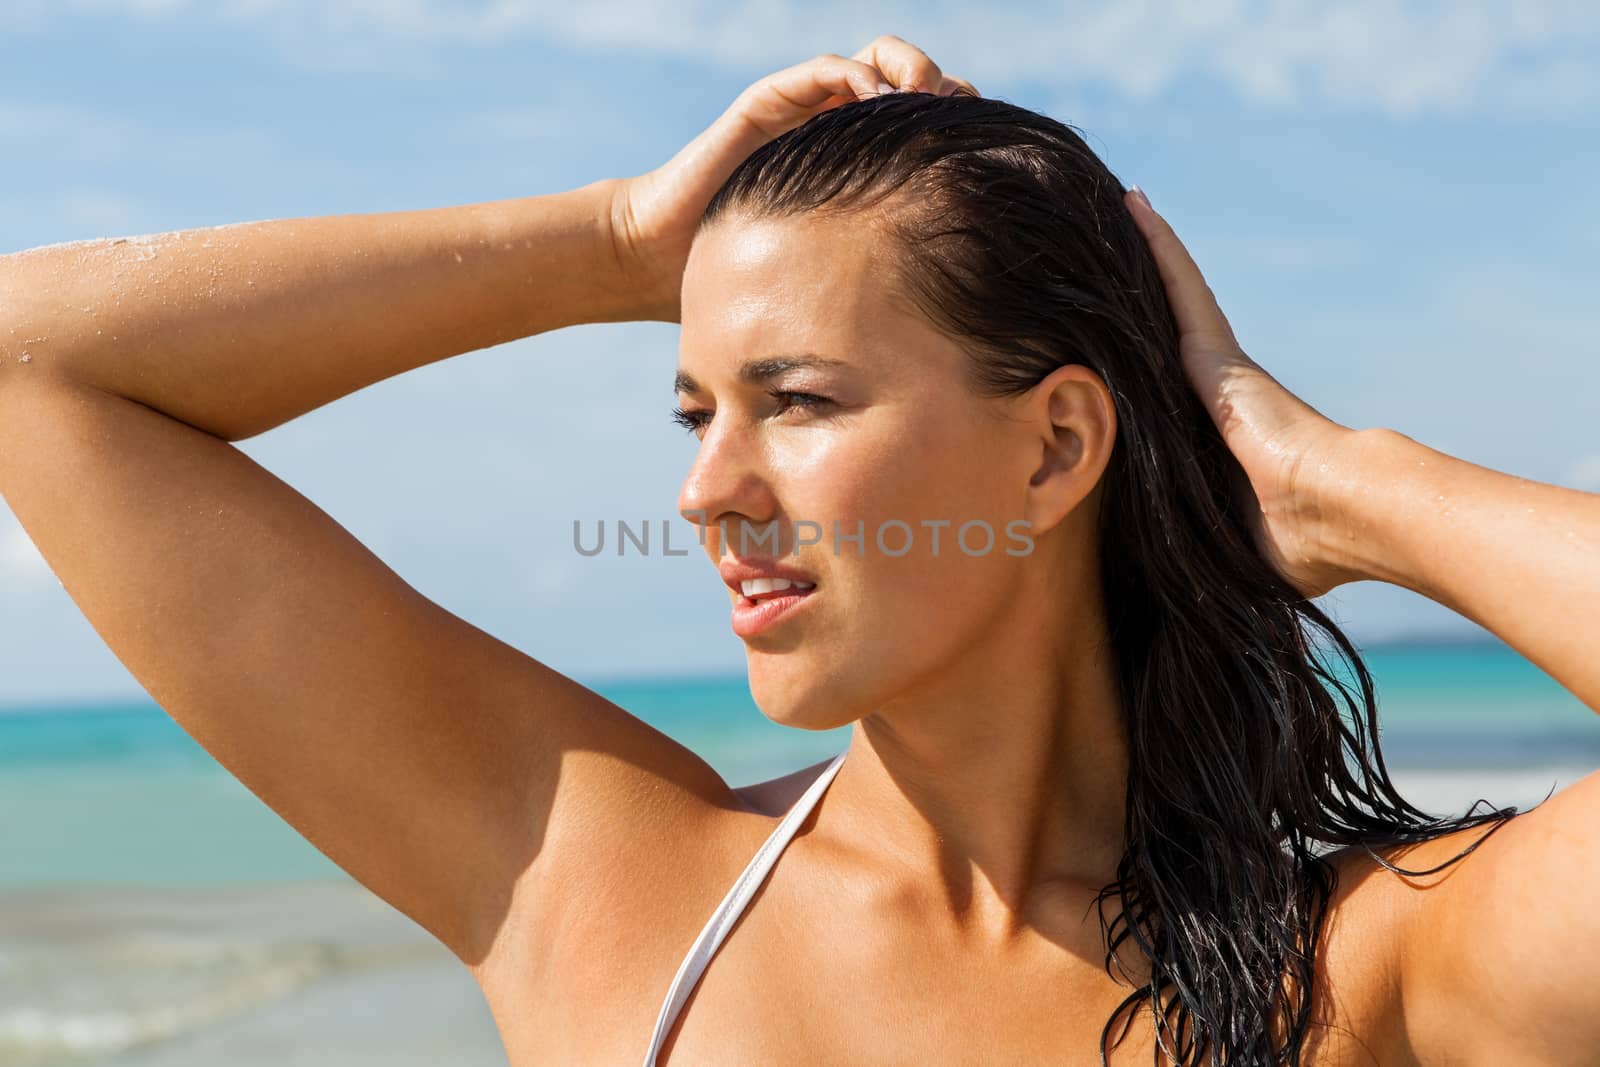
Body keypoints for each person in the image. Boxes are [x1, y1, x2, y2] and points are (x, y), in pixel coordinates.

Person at [2, 33, 1597, 1066]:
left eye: (796, 400)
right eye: (693, 407)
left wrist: (1342, 488)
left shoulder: (1365, 973)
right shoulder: (608, 892)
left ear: (1055, 447)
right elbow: (33, 363)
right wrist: (619, 239)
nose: (708, 491)